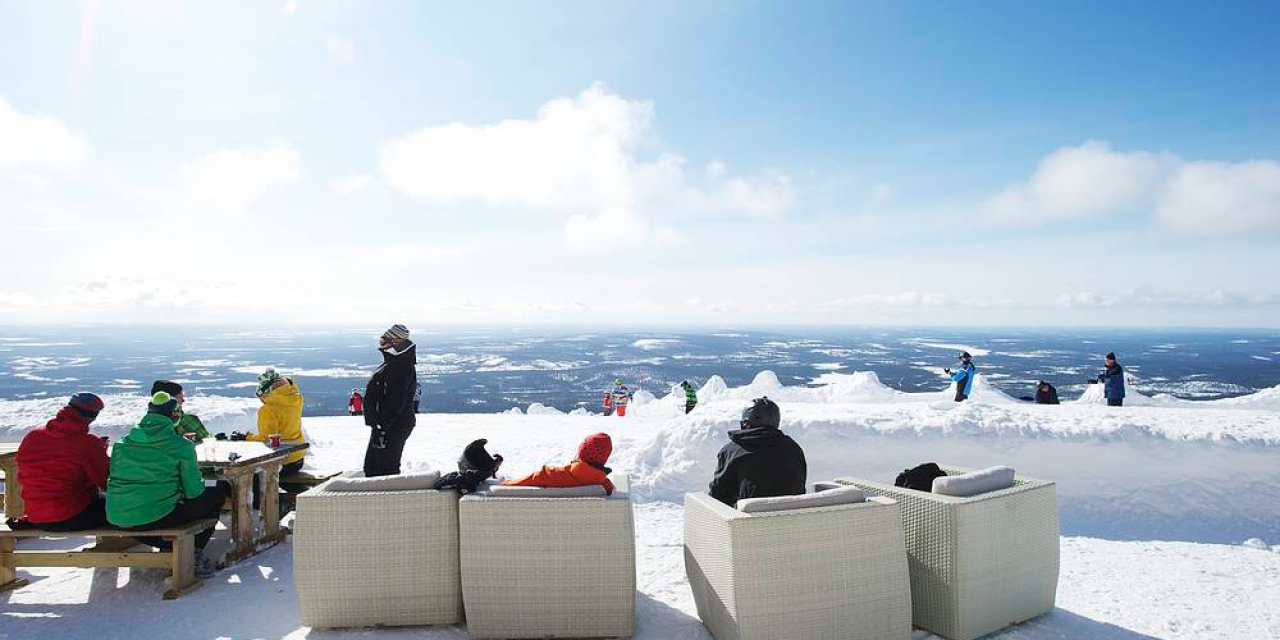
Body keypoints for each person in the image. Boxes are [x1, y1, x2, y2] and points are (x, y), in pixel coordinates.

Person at [107, 391, 230, 576]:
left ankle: (171, 547)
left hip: (118, 517)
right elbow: (194, 491)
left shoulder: (122, 443)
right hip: (155, 517)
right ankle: (193, 552)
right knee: (217, 492)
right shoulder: (180, 445)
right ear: (174, 416)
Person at [8, 393, 110, 531]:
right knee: (125, 509)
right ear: (92, 417)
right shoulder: (87, 444)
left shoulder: (33, 436)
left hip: (36, 516)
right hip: (71, 516)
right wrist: (99, 451)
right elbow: (106, 480)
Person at [709, 397, 806, 507]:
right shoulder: (793, 448)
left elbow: (718, 498)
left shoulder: (732, 451)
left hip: (747, 522)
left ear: (746, 423)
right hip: (792, 520)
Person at [363, 324, 417, 477]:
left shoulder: (401, 366)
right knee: (373, 468)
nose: (382, 344)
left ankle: (389, 499)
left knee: (385, 469)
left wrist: (382, 428)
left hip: (394, 425)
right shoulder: (394, 362)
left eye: (384, 340)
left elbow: (395, 402)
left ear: (397, 341)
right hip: (387, 424)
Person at [249, 369, 307, 509]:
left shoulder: (268, 410)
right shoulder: (296, 399)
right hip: (298, 459)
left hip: (283, 462)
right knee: (284, 480)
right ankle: (299, 497)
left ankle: (269, 507)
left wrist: (246, 437)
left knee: (250, 477)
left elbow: (268, 441)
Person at [502, 432, 615, 494]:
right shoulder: (604, 486)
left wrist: (503, 483)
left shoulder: (548, 476)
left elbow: (510, 487)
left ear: (581, 452)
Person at [434, 439, 504, 494]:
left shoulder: (488, 471)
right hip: (466, 462)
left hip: (469, 460)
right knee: (487, 470)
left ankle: (479, 451)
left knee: (487, 469)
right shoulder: (485, 471)